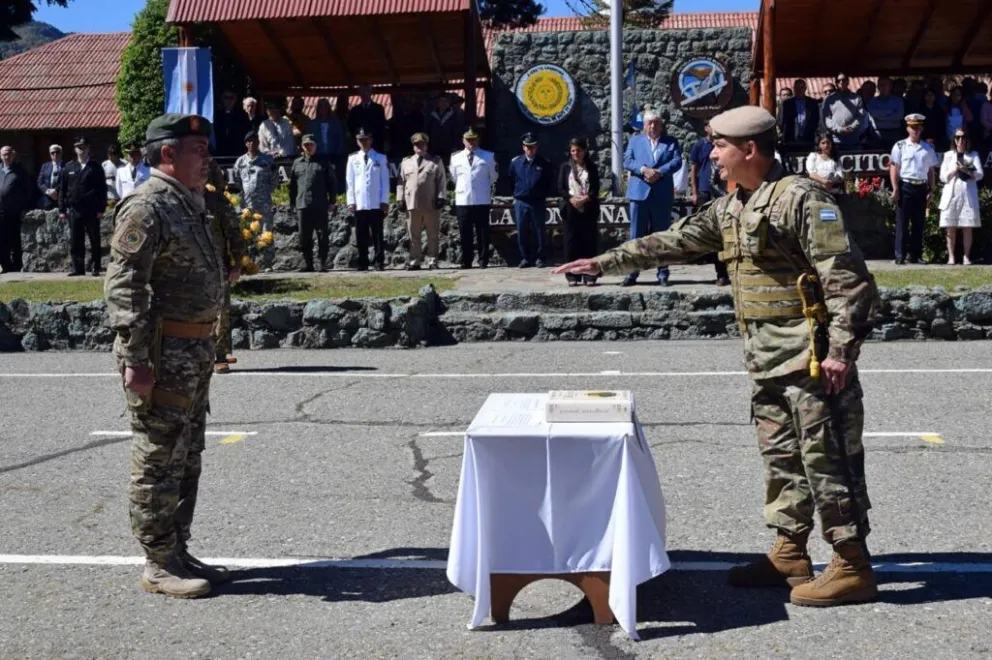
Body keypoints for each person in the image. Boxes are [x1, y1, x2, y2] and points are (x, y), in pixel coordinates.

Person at [553, 104, 879, 608]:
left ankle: (851, 564)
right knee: (782, 462)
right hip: (766, 361)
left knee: (828, 461)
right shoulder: (733, 206)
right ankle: (790, 552)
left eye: (720, 146)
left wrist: (840, 352)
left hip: (811, 364)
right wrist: (603, 262)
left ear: (749, 150)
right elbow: (676, 241)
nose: (713, 155)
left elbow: (850, 281)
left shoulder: (802, 200)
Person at [104, 112, 229, 598]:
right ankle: (158, 562)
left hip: (192, 349)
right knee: (159, 456)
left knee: (187, 453)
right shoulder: (147, 206)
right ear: (168, 154)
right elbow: (123, 286)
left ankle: (177, 549)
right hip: (161, 353)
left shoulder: (189, 201)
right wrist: (135, 358)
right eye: (197, 151)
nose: (207, 159)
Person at [622, 110, 681, 286]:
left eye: (656, 123)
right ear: (644, 125)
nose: (653, 126)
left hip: (661, 194)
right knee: (635, 235)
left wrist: (659, 172)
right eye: (649, 123)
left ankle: (663, 273)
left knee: (661, 235)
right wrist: (643, 170)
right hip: (639, 194)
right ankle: (632, 273)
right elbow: (627, 161)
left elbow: (677, 161)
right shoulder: (635, 141)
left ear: (661, 125)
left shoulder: (671, 142)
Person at [205, 158, 245, 373]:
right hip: (187, 267)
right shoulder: (182, 201)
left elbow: (234, 234)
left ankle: (219, 354)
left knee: (221, 310)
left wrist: (237, 264)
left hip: (217, 263)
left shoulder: (218, 202)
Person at [889, 113, 939, 264]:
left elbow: (931, 171)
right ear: (907, 128)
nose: (915, 130)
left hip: (921, 186)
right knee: (902, 222)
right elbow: (893, 167)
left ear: (922, 128)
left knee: (919, 223)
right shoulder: (900, 146)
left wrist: (931, 190)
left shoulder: (927, 148)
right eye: (912, 127)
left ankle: (915, 255)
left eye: (917, 127)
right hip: (906, 185)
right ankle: (900, 255)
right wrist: (895, 188)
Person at [449, 128, 498, 269]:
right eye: (468, 140)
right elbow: (454, 177)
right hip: (463, 199)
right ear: (463, 141)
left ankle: (483, 260)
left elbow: (493, 176)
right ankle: (466, 261)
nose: (471, 143)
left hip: (481, 199)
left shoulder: (488, 156)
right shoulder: (455, 157)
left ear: (478, 140)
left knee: (482, 232)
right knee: (465, 233)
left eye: (474, 139)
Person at [397, 132, 446, 270]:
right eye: (417, 145)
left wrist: (441, 197)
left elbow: (442, 180)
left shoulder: (435, 161)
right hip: (412, 203)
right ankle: (414, 261)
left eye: (422, 144)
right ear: (413, 147)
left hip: (430, 203)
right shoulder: (406, 162)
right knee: (414, 235)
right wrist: (399, 199)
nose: (420, 147)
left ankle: (432, 261)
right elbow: (401, 182)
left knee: (432, 234)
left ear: (427, 145)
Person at [689, 120, 730, 286]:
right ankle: (716, 270)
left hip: (726, 193)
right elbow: (694, 168)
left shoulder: (726, 144)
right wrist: (694, 191)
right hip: (706, 192)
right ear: (706, 128)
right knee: (711, 233)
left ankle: (725, 273)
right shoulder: (700, 145)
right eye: (710, 125)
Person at [59, 136, 107, 276]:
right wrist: (62, 209)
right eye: (79, 147)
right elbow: (63, 189)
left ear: (88, 149)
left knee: (94, 239)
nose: (82, 150)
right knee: (75, 240)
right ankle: (77, 268)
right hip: (75, 209)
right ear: (75, 149)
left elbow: (102, 189)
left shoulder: (95, 168)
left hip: (92, 210)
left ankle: (96, 266)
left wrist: (101, 209)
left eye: (84, 147)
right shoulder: (68, 168)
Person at [290, 134, 338, 272]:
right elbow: (293, 185)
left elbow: (332, 182)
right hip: (302, 204)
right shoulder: (297, 163)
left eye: (311, 145)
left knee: (322, 235)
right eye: (306, 145)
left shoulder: (323, 162)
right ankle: (308, 264)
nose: (308, 147)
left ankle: (323, 263)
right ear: (302, 147)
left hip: (320, 204)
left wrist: (332, 201)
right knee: (304, 236)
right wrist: (292, 202)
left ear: (316, 146)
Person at [557, 137, 600, 286]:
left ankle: (590, 275)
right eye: (573, 150)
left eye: (578, 150)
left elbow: (595, 189)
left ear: (584, 151)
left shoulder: (592, 167)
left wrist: (585, 198)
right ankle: (572, 275)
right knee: (571, 243)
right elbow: (561, 188)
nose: (576, 153)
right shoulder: (565, 167)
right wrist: (571, 198)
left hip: (588, 209)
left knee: (588, 242)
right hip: (571, 209)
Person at [346, 127, 390, 271]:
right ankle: (363, 262)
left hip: (376, 202)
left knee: (377, 234)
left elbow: (385, 181)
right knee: (361, 235)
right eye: (360, 140)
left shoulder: (380, 158)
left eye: (366, 139)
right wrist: (351, 201)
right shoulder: (352, 159)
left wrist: (385, 201)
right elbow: (350, 182)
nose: (363, 142)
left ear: (371, 140)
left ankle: (379, 261)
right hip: (360, 202)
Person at [508, 132, 555, 268]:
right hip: (521, 201)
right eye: (527, 147)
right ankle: (525, 258)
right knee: (521, 231)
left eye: (533, 146)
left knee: (540, 231)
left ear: (537, 147)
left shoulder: (544, 163)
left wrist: (541, 194)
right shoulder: (516, 163)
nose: (530, 149)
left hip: (537, 202)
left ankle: (540, 258)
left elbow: (548, 181)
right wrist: (518, 194)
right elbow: (511, 181)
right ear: (523, 147)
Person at [938, 129, 983, 265]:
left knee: (967, 226)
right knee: (950, 227)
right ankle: (951, 257)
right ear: (954, 140)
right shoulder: (947, 155)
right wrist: (955, 170)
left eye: (963, 137)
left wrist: (967, 171)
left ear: (967, 139)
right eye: (957, 138)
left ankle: (966, 256)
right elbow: (942, 177)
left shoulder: (973, 155)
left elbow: (980, 174)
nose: (960, 140)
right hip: (951, 195)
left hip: (967, 194)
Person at [0, 146, 32, 273]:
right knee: (1, 241)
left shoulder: (20, 171)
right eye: (4, 154)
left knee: (14, 240)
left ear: (13, 155)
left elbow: (28, 190)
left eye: (9, 154)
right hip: (0, 212)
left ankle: (17, 267)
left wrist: (21, 204)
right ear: (0, 156)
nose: (7, 157)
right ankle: (5, 266)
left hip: (13, 212)